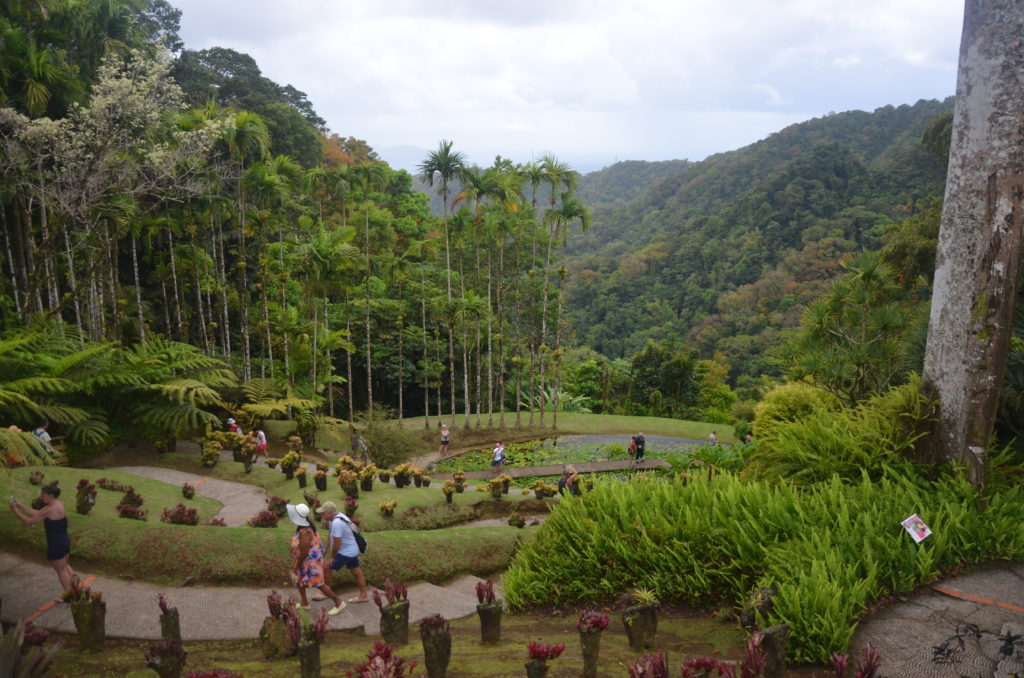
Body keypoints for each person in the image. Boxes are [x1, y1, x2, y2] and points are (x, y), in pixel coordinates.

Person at [9, 482, 75, 592]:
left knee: (61, 571)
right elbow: (37, 513)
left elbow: (29, 521)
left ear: (50, 495)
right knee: (65, 567)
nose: (41, 496)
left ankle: (71, 597)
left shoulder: (50, 509)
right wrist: (20, 506)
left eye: (43, 494)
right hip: (64, 541)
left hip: (56, 544)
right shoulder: (58, 504)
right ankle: (78, 589)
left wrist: (15, 511)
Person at [286, 503, 346, 615]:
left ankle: (338, 602)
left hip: (310, 563)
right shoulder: (305, 527)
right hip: (306, 562)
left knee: (319, 584)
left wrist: (297, 566)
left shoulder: (304, 532)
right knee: (299, 580)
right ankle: (304, 603)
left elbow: (304, 553)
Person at [316, 501, 370, 604]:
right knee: (356, 571)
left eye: (323, 513)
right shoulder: (337, 517)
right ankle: (364, 595)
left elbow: (337, 542)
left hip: (346, 552)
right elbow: (330, 535)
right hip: (352, 549)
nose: (322, 515)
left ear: (329, 513)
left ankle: (326, 592)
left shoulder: (337, 522)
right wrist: (325, 549)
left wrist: (332, 557)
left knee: (326, 566)